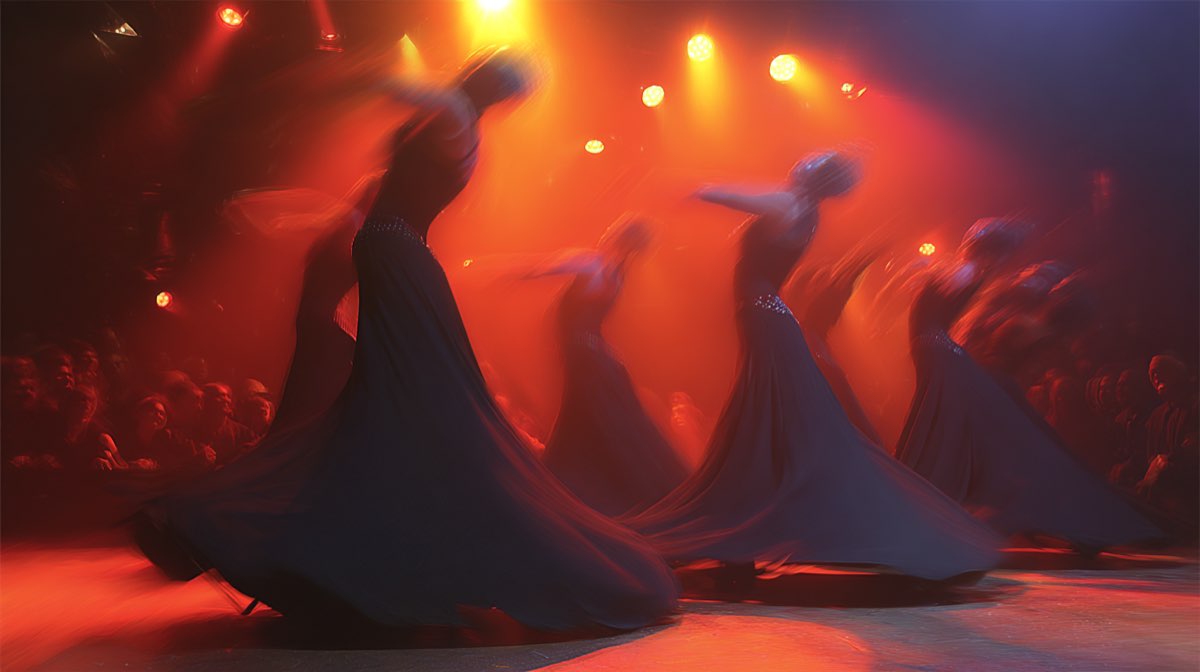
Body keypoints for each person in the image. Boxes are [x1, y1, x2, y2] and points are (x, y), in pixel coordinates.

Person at [135, 46, 677, 633]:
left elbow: (385, 84)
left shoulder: (450, 110)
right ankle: (360, 537)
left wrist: (318, 79)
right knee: (395, 403)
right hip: (398, 258)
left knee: (408, 402)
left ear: (485, 75)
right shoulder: (460, 127)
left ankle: (370, 542)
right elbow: (369, 191)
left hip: (396, 258)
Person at [626, 152, 1002, 583]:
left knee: (776, 414)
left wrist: (682, 186)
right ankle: (754, 519)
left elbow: (726, 194)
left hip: (765, 317)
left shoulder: (789, 203)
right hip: (769, 318)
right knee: (770, 413)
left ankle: (758, 522)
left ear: (810, 173)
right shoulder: (806, 213)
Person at [895, 219, 1161, 553]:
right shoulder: (973, 278)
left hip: (946, 355)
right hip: (945, 354)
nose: (1008, 263)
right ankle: (954, 500)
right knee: (971, 430)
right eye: (1005, 254)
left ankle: (954, 501)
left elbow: (954, 317)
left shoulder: (974, 281)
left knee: (969, 431)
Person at [517, 215, 688, 516]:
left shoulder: (591, 262)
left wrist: (489, 271)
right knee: (603, 434)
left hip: (589, 366)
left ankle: (566, 505)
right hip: (597, 363)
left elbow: (537, 269)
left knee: (595, 434)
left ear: (615, 232)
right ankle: (576, 503)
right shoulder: (617, 275)